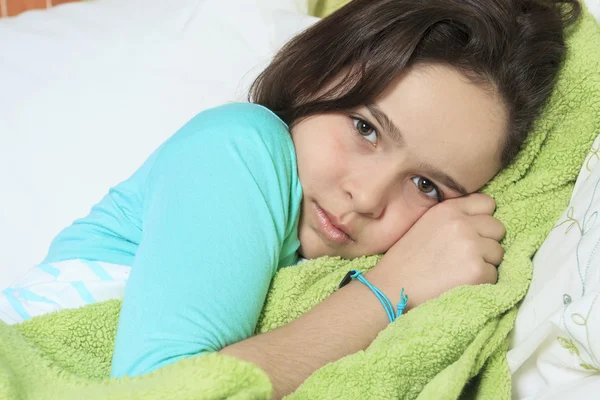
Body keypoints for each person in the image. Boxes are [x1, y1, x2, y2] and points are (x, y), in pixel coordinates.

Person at [3, 0, 581, 398]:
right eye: (365, 128)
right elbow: (166, 387)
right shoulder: (242, 146)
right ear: (314, 77)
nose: (366, 196)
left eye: (427, 186)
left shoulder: (321, 265)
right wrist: (387, 290)